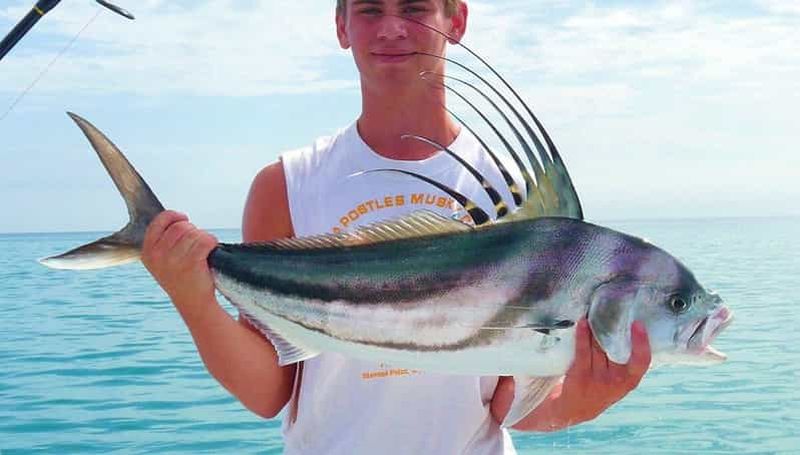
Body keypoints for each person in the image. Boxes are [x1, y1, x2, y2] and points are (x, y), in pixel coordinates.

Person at [140, 0, 651, 453]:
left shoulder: (516, 198)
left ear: (457, 19)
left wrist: (584, 400)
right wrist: (194, 301)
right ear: (341, 25)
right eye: (368, 10)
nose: (390, 29)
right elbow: (271, 391)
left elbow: (506, 405)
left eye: (413, 9)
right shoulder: (288, 184)